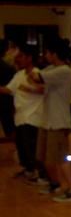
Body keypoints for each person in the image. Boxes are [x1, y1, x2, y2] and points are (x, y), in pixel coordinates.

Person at [29, 37, 71, 202]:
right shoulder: (52, 69)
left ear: (54, 54)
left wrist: (30, 69)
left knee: (60, 158)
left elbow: (37, 77)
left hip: (58, 122)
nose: (45, 55)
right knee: (44, 158)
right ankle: (55, 184)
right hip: (47, 121)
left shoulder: (64, 70)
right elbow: (38, 83)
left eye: (47, 52)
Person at [0, 45, 44, 180]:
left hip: (33, 117)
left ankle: (37, 173)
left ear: (29, 58)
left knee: (31, 147)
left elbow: (43, 90)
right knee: (21, 146)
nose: (17, 59)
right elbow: (8, 90)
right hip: (20, 117)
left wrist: (30, 87)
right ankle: (28, 169)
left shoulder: (38, 74)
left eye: (20, 56)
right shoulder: (19, 75)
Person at [0, 39, 17, 138]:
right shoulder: (8, 67)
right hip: (6, 100)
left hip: (5, 97)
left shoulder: (7, 66)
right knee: (9, 126)